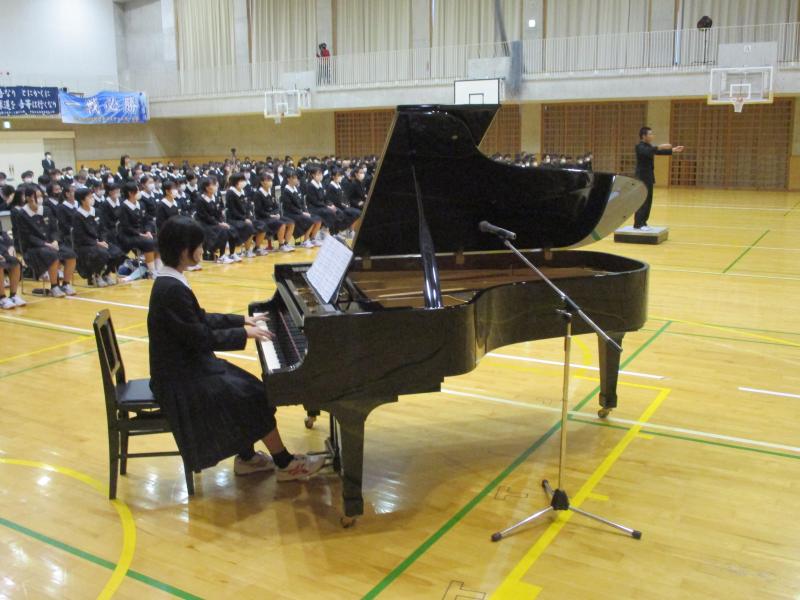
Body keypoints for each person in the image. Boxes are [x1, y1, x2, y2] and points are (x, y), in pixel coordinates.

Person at [147, 216, 326, 479]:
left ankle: (247, 458)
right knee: (251, 395)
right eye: (199, 246)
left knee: (250, 389)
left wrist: (240, 320)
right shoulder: (171, 290)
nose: (203, 250)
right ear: (185, 251)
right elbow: (200, 337)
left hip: (188, 367)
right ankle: (285, 464)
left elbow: (200, 318)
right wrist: (243, 334)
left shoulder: (171, 281)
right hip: (180, 380)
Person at [14, 185, 77, 297]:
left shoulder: (46, 210)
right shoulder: (21, 214)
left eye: (41, 196)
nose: (39, 199)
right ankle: (54, 286)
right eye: (36, 196)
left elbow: (54, 229)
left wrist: (55, 240)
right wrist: (45, 244)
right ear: (28, 198)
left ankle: (66, 284)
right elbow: (27, 236)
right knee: (52, 255)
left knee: (71, 254)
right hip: (33, 248)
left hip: (52, 244)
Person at [634, 127, 684, 230]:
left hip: (648, 176)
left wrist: (672, 150)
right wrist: (660, 146)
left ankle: (643, 222)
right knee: (642, 200)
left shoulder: (648, 146)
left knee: (648, 200)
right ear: (644, 136)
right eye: (650, 134)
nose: (652, 136)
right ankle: (638, 224)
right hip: (642, 177)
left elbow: (656, 152)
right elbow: (648, 152)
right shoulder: (639, 147)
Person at [72, 188, 123, 287]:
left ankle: (106, 274)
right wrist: (96, 243)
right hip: (85, 245)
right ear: (82, 200)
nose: (92, 199)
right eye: (89, 197)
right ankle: (96, 276)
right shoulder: (77, 216)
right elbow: (80, 236)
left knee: (117, 252)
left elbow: (103, 229)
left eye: (92, 196)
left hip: (99, 242)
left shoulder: (97, 211)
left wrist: (103, 240)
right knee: (102, 253)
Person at [118, 182, 161, 277]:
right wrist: (140, 234)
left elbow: (147, 220)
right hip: (129, 236)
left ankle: (159, 269)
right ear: (130, 193)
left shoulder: (141, 204)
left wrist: (148, 231)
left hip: (143, 233)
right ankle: (152, 272)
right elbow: (126, 227)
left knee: (158, 240)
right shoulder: (123, 207)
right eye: (137, 191)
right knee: (148, 242)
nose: (139, 192)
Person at [280, 170, 321, 248]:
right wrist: (302, 213)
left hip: (299, 212)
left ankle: (312, 239)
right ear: (288, 179)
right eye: (294, 178)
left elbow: (302, 203)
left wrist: (306, 211)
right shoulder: (286, 191)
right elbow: (290, 207)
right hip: (290, 213)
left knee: (318, 219)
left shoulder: (297, 189)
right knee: (310, 220)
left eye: (296, 178)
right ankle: (305, 241)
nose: (296, 180)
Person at [254, 174, 295, 252]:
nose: (270, 182)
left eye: (271, 180)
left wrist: (277, 213)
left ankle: (286, 243)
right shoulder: (258, 194)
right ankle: (281, 245)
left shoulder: (271, 191)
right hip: (263, 217)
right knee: (281, 224)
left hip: (273, 216)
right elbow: (258, 211)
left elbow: (276, 206)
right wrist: (270, 215)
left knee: (291, 222)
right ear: (262, 182)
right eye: (268, 180)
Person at [0, 215, 24, 309]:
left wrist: (10, 247)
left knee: (15, 262)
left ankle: (13, 295)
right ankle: (2, 298)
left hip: (2, 253)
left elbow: (5, 237)